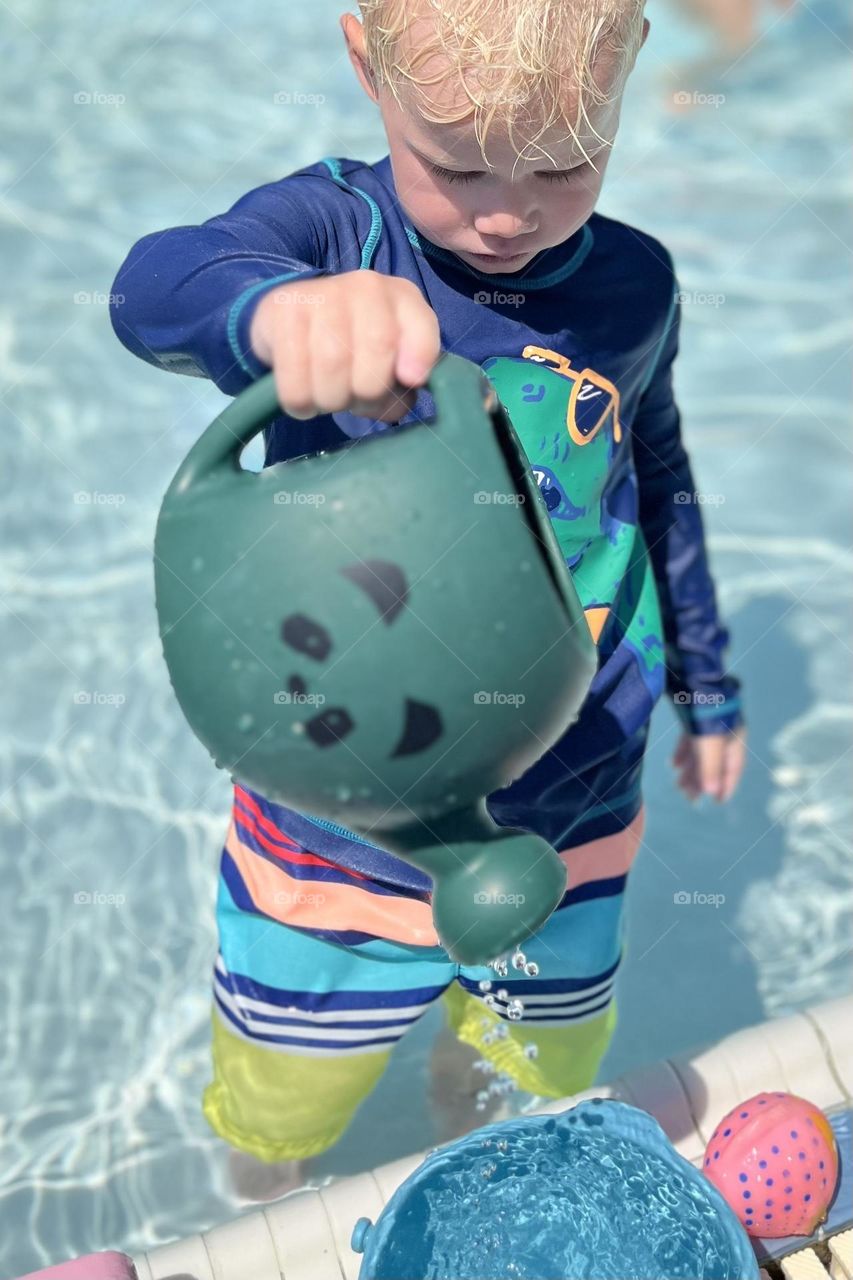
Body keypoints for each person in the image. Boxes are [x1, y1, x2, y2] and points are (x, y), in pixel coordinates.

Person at [110, 0, 747, 1197]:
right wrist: (274, 310)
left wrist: (707, 676)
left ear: (630, 74)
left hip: (579, 790)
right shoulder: (331, 237)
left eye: (565, 162)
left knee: (520, 1070)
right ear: (365, 66)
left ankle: (471, 1138)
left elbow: (653, 477)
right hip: (345, 818)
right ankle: (260, 1204)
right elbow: (155, 288)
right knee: (279, 1102)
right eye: (455, 164)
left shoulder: (635, 288)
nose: (507, 213)